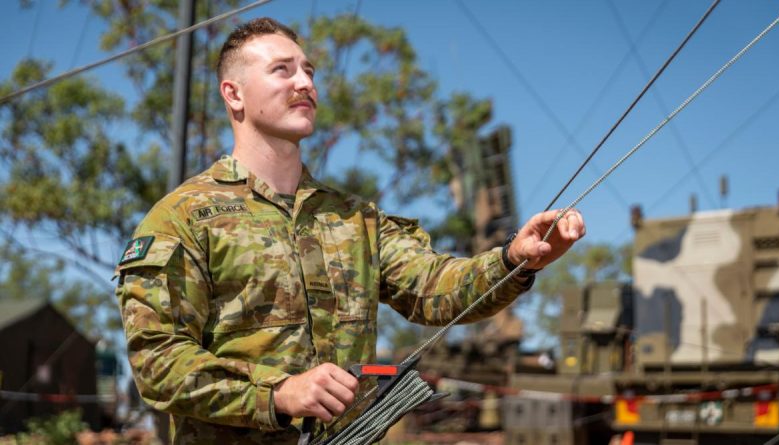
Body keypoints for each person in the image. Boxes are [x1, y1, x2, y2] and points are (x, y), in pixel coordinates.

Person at [115, 17, 586, 445]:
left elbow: (434, 290)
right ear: (233, 94)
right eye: (282, 70)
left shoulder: (355, 217)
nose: (305, 83)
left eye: (309, 71)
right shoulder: (184, 217)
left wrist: (513, 260)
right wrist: (278, 393)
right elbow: (158, 365)